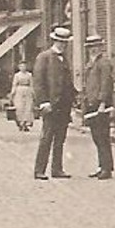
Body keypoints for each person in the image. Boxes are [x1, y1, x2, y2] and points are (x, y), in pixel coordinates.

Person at [32, 26, 76, 180]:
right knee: (46, 138)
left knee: (60, 139)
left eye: (65, 43)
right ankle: (39, 170)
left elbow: (68, 83)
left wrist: (73, 98)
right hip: (50, 105)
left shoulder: (64, 59)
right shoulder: (44, 57)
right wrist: (43, 102)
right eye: (60, 42)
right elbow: (38, 83)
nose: (63, 45)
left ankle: (57, 169)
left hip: (64, 106)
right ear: (55, 41)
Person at [80, 34, 115, 180]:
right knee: (96, 137)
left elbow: (106, 84)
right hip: (91, 104)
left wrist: (102, 103)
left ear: (100, 47)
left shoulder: (104, 63)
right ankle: (101, 166)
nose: (93, 50)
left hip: (101, 105)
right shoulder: (91, 63)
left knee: (102, 137)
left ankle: (107, 168)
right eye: (90, 48)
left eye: (95, 47)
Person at [10, 62, 36, 132]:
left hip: (27, 91)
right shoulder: (17, 75)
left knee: (28, 107)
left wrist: (33, 94)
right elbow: (14, 84)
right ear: (19, 67)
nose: (23, 68)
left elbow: (31, 84)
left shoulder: (29, 75)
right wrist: (12, 93)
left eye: (24, 66)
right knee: (19, 107)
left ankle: (26, 123)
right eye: (21, 66)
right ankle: (20, 123)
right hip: (19, 91)